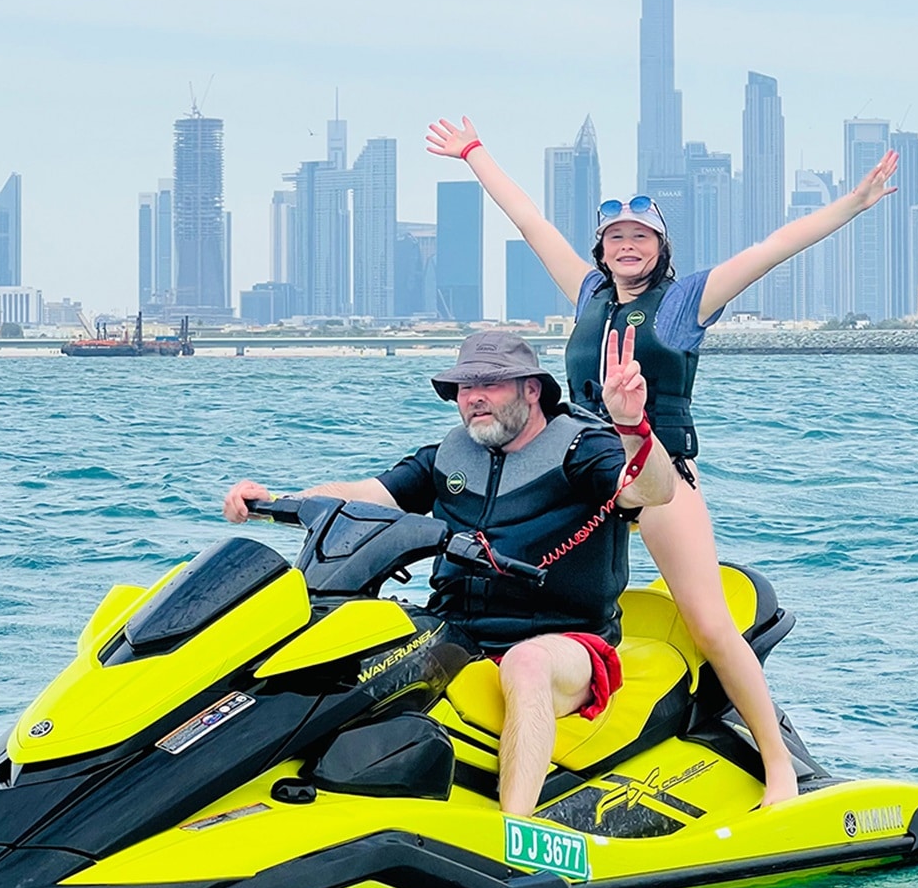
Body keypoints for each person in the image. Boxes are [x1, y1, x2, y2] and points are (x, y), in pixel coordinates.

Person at [426, 116, 900, 806]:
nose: (626, 247)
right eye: (616, 238)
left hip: (657, 476)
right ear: (602, 248)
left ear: (659, 248)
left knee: (707, 620)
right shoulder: (588, 296)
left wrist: (850, 206)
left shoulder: (682, 304)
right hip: (583, 477)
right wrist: (475, 154)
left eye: (640, 238)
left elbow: (770, 250)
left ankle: (777, 769)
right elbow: (531, 223)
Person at [224, 329, 676, 818]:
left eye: (490, 384)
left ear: (531, 389)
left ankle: (515, 833)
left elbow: (651, 491)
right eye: (465, 387)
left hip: (567, 641)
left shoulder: (582, 448)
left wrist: (631, 426)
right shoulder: (449, 456)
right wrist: (277, 500)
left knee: (526, 664)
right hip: (459, 633)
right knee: (353, 645)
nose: (474, 398)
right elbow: (365, 495)